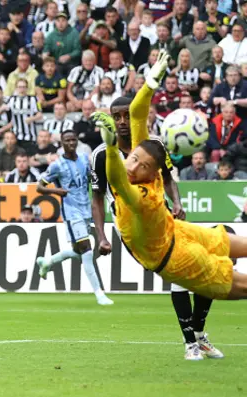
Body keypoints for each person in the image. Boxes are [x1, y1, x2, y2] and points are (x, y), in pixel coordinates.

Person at [92, 50, 225, 361]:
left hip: (164, 217)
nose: (123, 121)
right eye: (118, 116)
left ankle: (200, 335)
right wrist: (101, 235)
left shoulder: (151, 147)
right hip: (138, 232)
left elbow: (168, 177)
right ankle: (191, 342)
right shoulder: (102, 154)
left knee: (211, 261)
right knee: (183, 274)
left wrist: (177, 202)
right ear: (112, 119)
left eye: (127, 115)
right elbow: (97, 197)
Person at [35, 130, 114, 306]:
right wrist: (57, 190)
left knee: (79, 252)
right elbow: (39, 187)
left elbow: (91, 179)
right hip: (71, 214)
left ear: (77, 141)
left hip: (86, 210)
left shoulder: (85, 159)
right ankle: (99, 294)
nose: (71, 143)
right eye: (67, 140)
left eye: (73, 139)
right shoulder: (57, 165)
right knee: (87, 251)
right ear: (62, 143)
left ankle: (48, 262)